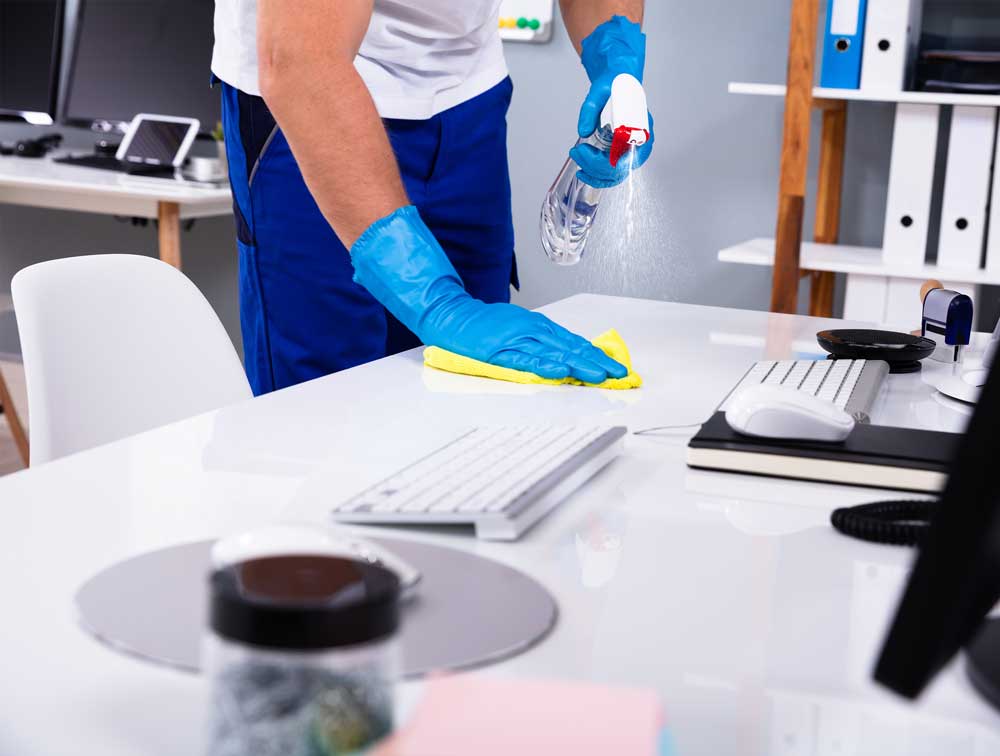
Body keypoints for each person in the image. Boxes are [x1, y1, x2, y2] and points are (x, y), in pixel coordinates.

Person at [212, 1, 654, 395]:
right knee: (324, 406)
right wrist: (438, 303)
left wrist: (615, 54)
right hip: (314, 93)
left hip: (466, 95)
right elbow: (301, 62)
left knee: (474, 388)